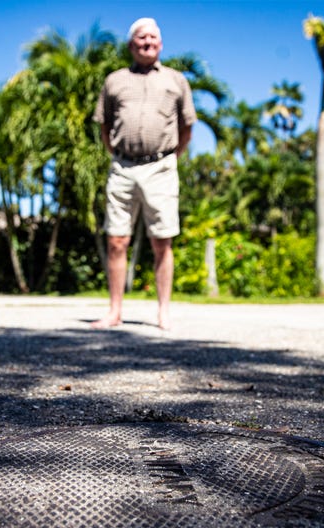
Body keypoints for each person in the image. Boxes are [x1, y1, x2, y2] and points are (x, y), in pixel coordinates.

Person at [91, 17, 197, 330]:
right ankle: (114, 312)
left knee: (162, 240)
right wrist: (118, 155)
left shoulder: (176, 80)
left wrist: (170, 156)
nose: (147, 42)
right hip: (123, 167)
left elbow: (187, 126)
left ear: (160, 44)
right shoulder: (114, 80)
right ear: (131, 45)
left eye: (152, 38)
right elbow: (104, 124)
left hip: (161, 166)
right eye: (141, 38)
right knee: (116, 239)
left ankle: (163, 312)